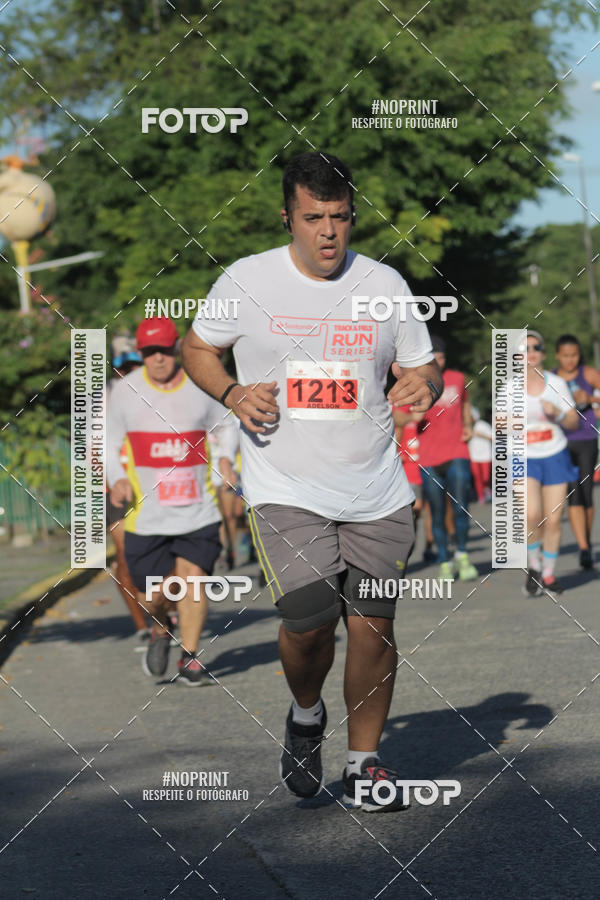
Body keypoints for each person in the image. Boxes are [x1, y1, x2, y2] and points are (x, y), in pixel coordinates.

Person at [182, 150, 443, 811]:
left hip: (377, 490)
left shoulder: (384, 284)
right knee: (308, 620)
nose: (329, 232)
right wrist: (235, 392)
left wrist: (426, 381)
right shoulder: (247, 280)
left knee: (373, 624)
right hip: (284, 485)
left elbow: (425, 363)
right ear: (288, 218)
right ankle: (305, 715)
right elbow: (197, 348)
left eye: (340, 217)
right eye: (313, 218)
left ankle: (364, 764)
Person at [107, 316, 238, 684]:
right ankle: (161, 627)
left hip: (198, 509)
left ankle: (191, 658)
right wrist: (117, 479)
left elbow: (226, 423)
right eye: (149, 352)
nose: (158, 358)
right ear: (141, 352)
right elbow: (108, 441)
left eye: (164, 350)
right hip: (148, 516)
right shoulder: (126, 391)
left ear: (176, 347)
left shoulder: (200, 386)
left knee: (192, 580)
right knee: (152, 597)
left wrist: (226, 457)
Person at [396, 335, 478, 582]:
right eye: (434, 358)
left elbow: (465, 407)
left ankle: (462, 555)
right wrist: (412, 417)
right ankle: (444, 560)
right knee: (437, 511)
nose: (438, 363)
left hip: (457, 451)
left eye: (441, 358)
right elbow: (396, 417)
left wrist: (468, 425)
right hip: (429, 458)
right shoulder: (412, 383)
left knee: (461, 506)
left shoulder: (457, 379)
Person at [524, 331, 579, 596]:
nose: (531, 351)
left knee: (554, 520)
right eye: (525, 348)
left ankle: (547, 574)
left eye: (536, 346)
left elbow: (573, 421)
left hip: (555, 454)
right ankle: (533, 565)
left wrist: (557, 413)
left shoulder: (557, 383)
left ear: (543, 353)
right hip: (524, 458)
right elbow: (500, 429)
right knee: (532, 515)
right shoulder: (508, 389)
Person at [106, 334, 148, 636]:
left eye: (135, 366)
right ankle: (142, 626)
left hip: (157, 487)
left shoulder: (158, 395)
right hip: (117, 491)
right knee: (125, 557)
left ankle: (165, 614)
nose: (129, 373)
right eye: (124, 367)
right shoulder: (101, 400)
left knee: (165, 558)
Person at [553, 334, 600, 569]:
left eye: (574, 355)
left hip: (587, 439)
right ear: (557, 356)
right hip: (562, 442)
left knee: (587, 492)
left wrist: (590, 398)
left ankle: (587, 541)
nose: (570, 360)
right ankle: (583, 547)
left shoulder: (589, 374)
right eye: (565, 355)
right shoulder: (550, 377)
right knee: (573, 493)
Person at [468, 407, 493, 503]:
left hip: (485, 455)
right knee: (477, 477)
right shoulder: (466, 427)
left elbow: (493, 437)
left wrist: (480, 434)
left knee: (486, 477)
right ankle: (480, 496)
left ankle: (487, 490)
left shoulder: (483, 425)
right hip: (473, 456)